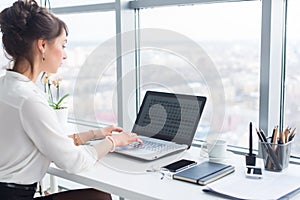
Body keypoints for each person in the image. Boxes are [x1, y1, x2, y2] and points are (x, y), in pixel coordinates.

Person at [0, 0, 142, 199]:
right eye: (62, 45)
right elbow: (73, 162)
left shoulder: (6, 86)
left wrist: (95, 134)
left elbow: (46, 142)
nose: (65, 55)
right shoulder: (28, 100)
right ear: (42, 45)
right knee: (99, 197)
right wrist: (113, 142)